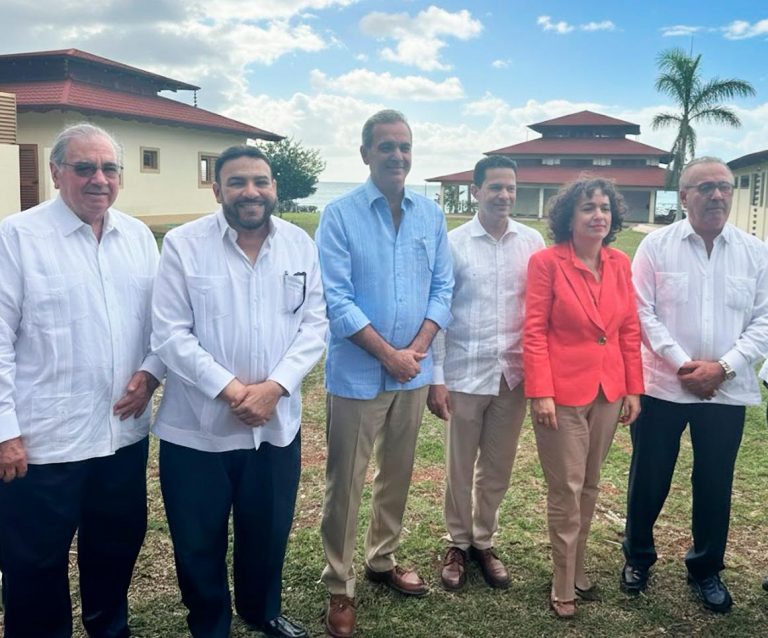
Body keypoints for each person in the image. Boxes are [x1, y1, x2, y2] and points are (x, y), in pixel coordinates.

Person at [150, 145, 327, 638]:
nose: (251, 192)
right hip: (197, 429)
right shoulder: (184, 245)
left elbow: (315, 325)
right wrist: (231, 391)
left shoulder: (299, 244)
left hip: (274, 426)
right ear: (217, 190)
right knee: (197, 540)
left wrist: (275, 388)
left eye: (260, 181)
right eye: (237, 182)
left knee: (268, 530)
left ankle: (261, 609)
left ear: (274, 187)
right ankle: (209, 623)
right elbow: (170, 333)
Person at [0, 123, 162, 638]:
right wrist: (4, 432)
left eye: (110, 168)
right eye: (84, 167)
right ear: (56, 173)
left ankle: (108, 629)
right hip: (43, 441)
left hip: (121, 433)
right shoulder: (16, 237)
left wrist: (150, 373)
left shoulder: (137, 237)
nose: (99, 179)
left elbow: (162, 325)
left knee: (116, 545)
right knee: (34, 559)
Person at [316, 109, 453, 638]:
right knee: (346, 483)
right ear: (365, 153)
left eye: (405, 146)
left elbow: (442, 287)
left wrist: (415, 351)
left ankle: (381, 558)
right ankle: (339, 584)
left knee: (396, 474)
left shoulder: (430, 215)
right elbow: (336, 298)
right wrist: (388, 354)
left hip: (412, 374)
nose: (398, 155)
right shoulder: (340, 215)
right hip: (357, 376)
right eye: (387, 146)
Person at [621, 157, 768, 613]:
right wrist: (685, 366)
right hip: (663, 386)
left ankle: (706, 567)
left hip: (726, 390)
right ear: (684, 196)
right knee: (649, 476)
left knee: (715, 481)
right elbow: (640, 312)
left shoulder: (755, 251)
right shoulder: (656, 247)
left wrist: (723, 367)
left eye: (724, 187)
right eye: (705, 188)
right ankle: (638, 557)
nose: (717, 195)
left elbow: (764, 319)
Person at [524, 178, 643, 619]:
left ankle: (577, 567)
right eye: (588, 207)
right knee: (567, 488)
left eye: (605, 208)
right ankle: (561, 581)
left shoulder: (619, 263)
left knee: (590, 484)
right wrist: (540, 391)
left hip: (609, 390)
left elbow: (628, 329)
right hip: (561, 394)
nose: (598, 215)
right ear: (569, 217)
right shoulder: (546, 263)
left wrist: (633, 387)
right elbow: (534, 331)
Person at [427, 156, 544, 591]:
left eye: (510, 187)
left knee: (497, 466)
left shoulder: (531, 242)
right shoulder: (453, 244)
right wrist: (437, 376)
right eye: (495, 187)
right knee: (459, 466)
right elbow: (439, 311)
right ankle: (457, 542)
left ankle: (483, 540)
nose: (504, 195)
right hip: (463, 372)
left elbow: (540, 309)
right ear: (475, 191)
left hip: (512, 375)